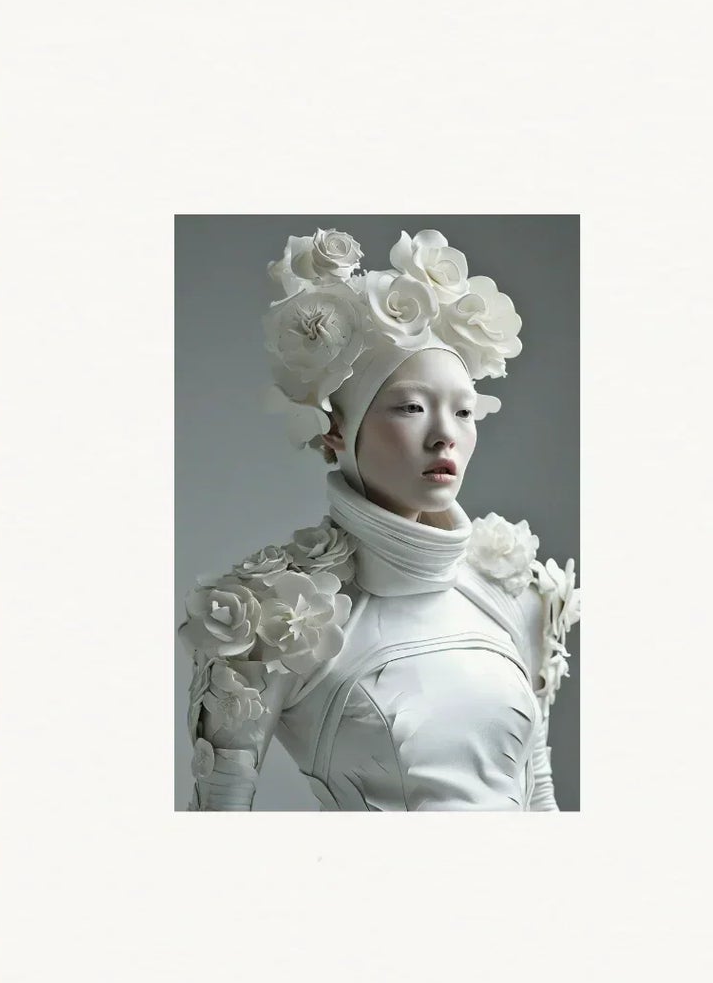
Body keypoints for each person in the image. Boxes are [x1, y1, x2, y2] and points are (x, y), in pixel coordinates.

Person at [179, 226, 579, 812]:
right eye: (412, 407)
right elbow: (217, 824)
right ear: (337, 431)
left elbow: (539, 793)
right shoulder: (275, 615)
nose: (445, 434)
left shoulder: (512, 588)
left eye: (464, 411)